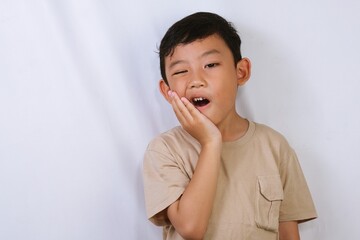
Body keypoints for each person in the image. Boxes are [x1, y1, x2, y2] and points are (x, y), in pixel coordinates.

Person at [143, 12, 317, 240]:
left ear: (241, 72)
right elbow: (190, 228)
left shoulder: (275, 147)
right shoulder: (165, 150)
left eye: (210, 64)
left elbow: (288, 234)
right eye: (181, 71)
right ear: (167, 91)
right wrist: (210, 142)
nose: (196, 80)